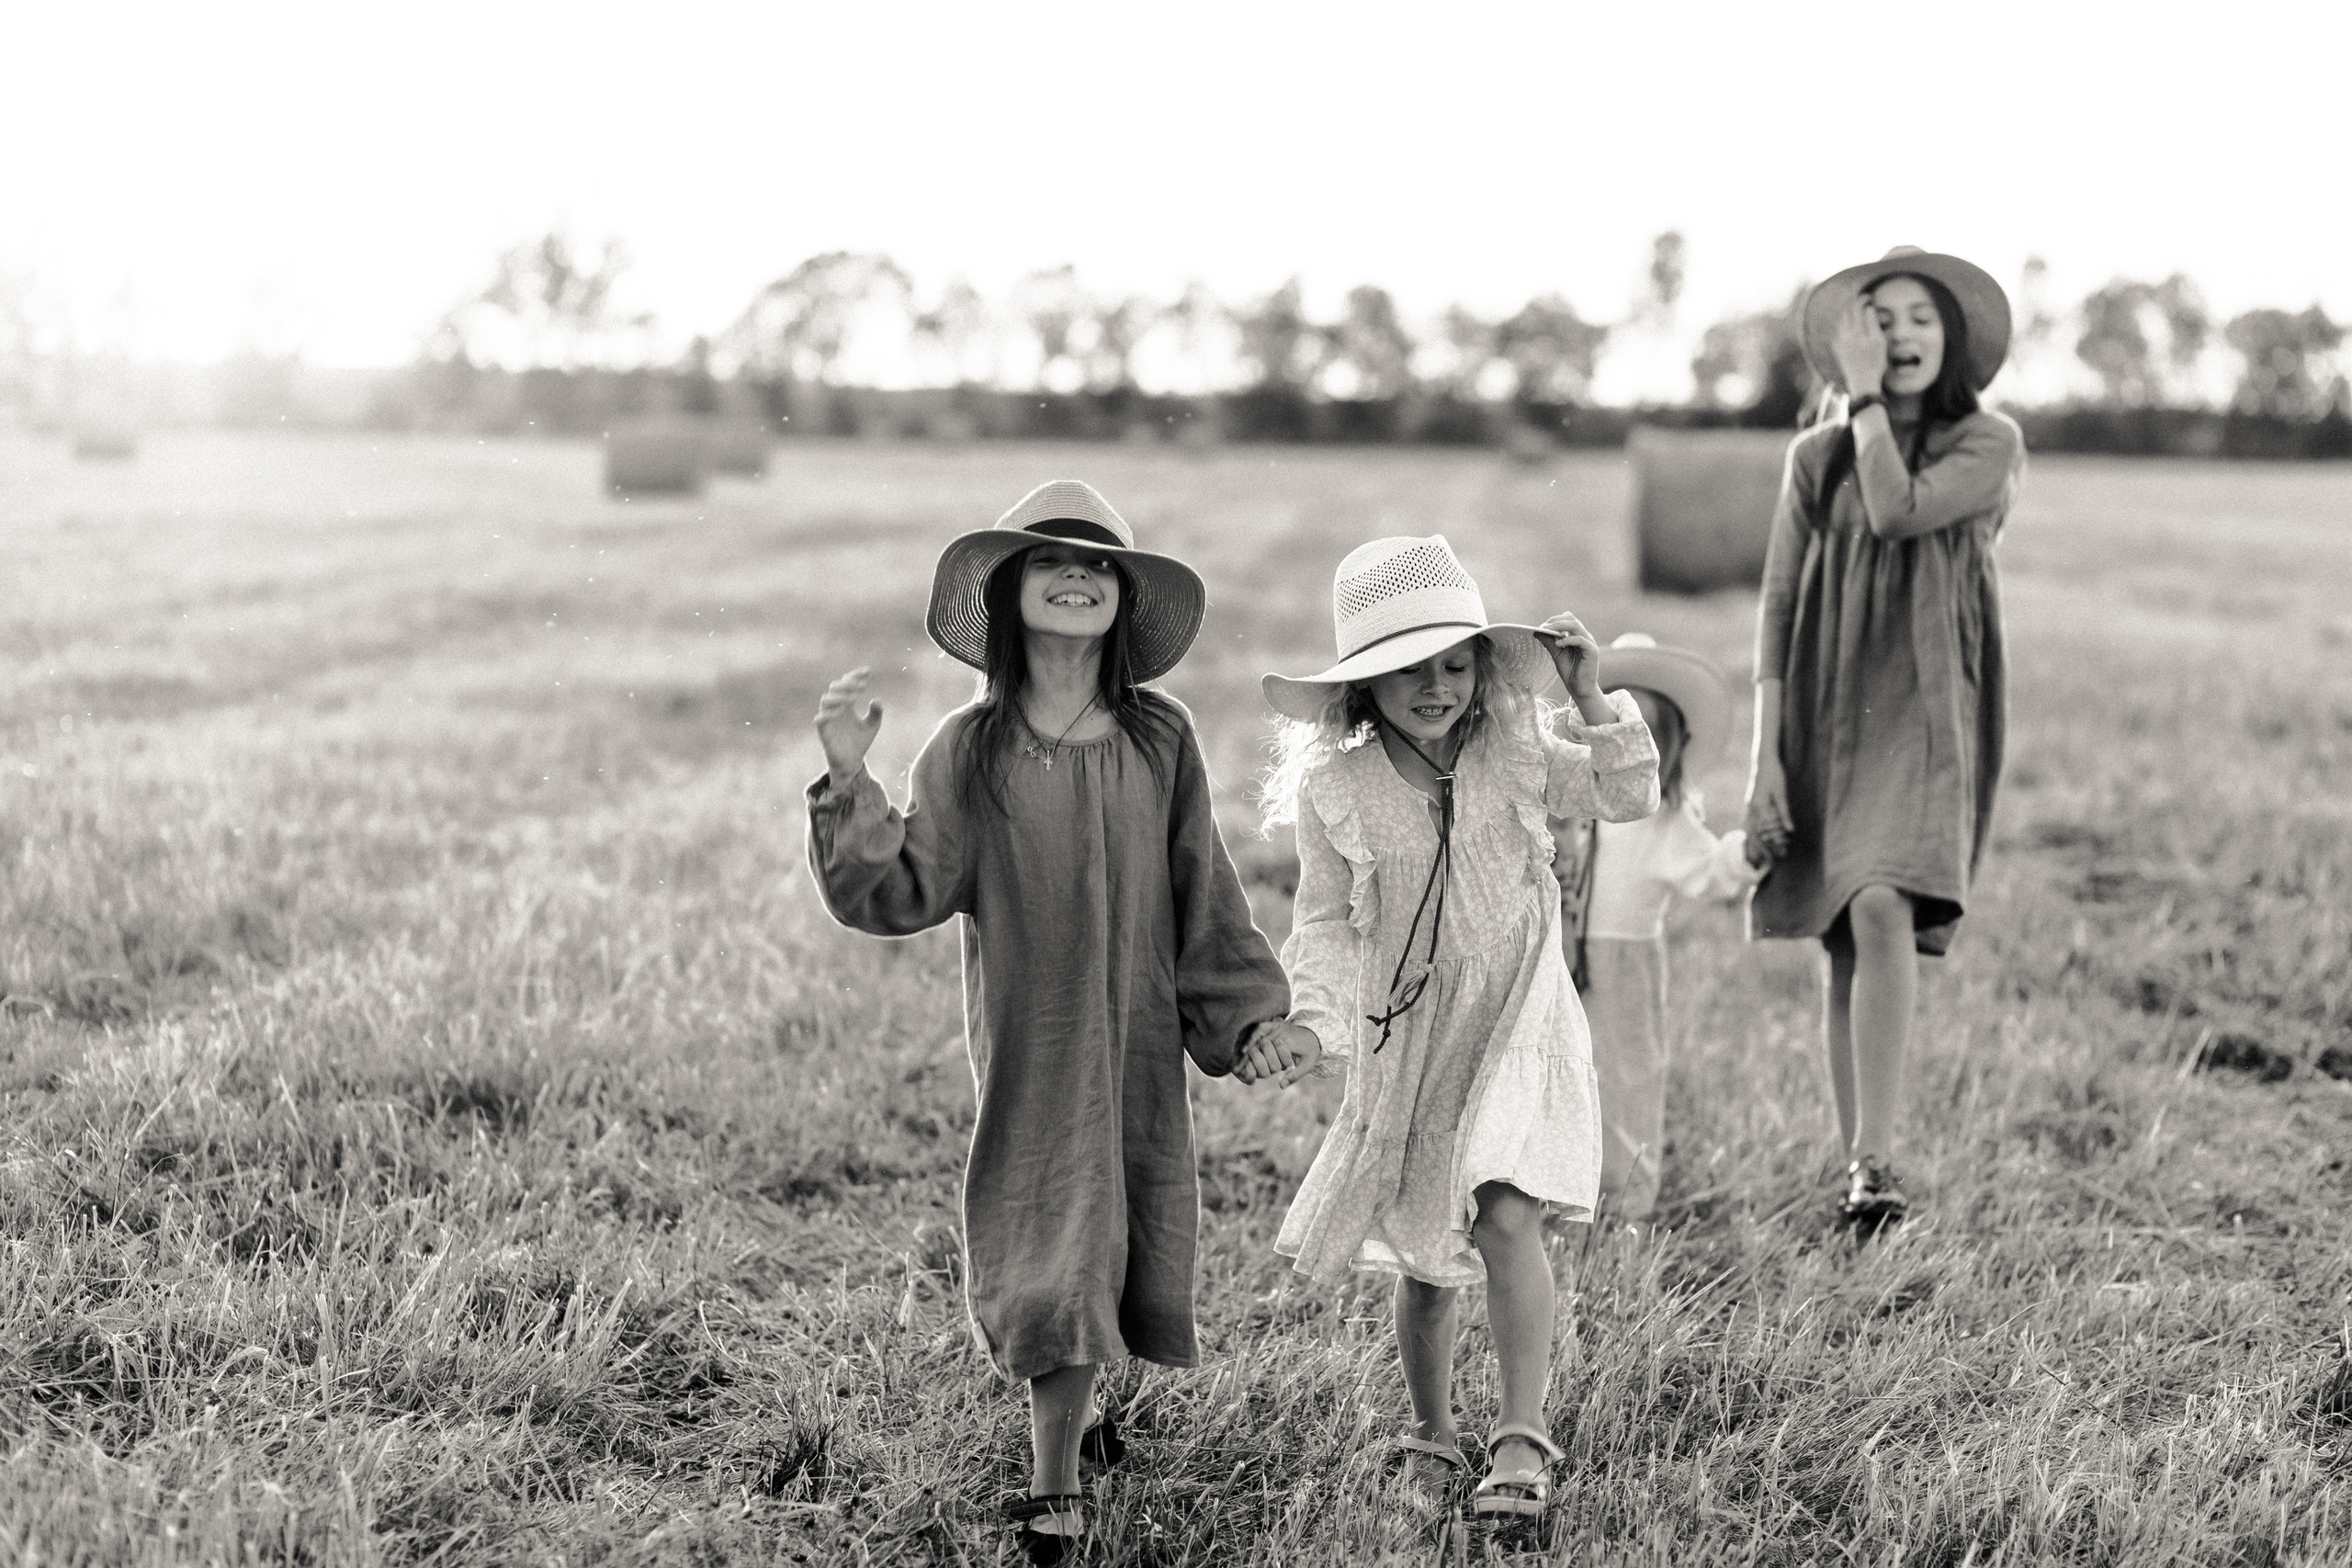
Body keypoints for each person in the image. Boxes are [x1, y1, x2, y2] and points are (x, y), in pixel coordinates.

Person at [806, 479, 1308, 1563]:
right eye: (1048, 561)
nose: (1076, 575)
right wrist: (850, 783)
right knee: (1053, 1226)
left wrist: (1249, 1019)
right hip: (1033, 1035)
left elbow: (1203, 888)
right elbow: (900, 890)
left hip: (1133, 1034)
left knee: (1114, 1224)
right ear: (1009, 592)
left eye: (1097, 565)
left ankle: (1074, 1414)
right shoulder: (968, 747)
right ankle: (1051, 1479)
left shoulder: (1159, 737)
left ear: (1123, 600)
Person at [1250, 535, 1659, 1524]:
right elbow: (1322, 923)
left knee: (1507, 1212)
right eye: (1406, 669)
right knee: (1426, 1247)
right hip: (1413, 1033)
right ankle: (1428, 1430)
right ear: (1361, 685)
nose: (1434, 686)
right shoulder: (1334, 790)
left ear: (1481, 671)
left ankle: (1520, 1441)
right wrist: (1310, 1025)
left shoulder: (1515, 750)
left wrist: (1591, 696)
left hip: (1520, 1006)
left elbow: (1627, 792)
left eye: (1453, 662)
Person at [1745, 246, 2026, 1233]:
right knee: (1841, 933)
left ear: (1948, 340)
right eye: (1880, 318)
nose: (1900, 335)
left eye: (1918, 318)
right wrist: (1764, 760)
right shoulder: (1809, 460)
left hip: (1925, 705)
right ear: (1848, 340)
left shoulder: (1984, 444)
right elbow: (1777, 612)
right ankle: (1858, 1167)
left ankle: (1876, 1158)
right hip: (1827, 704)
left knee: (1876, 906)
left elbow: (1898, 512)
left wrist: (1861, 404)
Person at [1550, 634, 1765, 1224]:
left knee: (1627, 1076)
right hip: (1558, 960)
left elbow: (1714, 871)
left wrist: (1750, 851)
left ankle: (1626, 1202)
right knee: (1562, 1075)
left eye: (1646, 731)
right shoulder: (1569, 804)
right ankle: (1557, 1193)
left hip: (1625, 967)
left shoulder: (1666, 819)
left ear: (1668, 746)